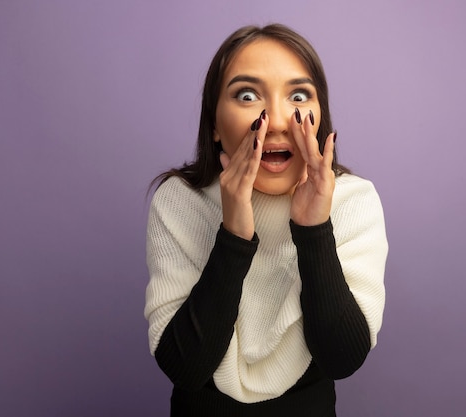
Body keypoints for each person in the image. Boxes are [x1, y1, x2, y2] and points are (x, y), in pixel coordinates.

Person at [144, 23, 388, 417]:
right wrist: (234, 234)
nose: (275, 121)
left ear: (319, 114)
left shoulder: (354, 201)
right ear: (214, 126)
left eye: (297, 95)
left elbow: (342, 359)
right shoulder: (180, 200)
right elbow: (185, 367)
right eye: (247, 95)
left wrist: (313, 230)